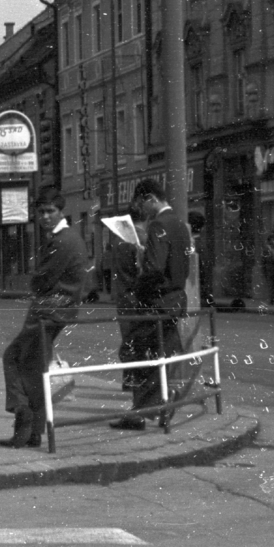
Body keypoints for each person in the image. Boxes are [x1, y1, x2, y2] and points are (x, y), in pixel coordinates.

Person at [0, 188, 90, 447]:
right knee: (34, 366)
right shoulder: (66, 237)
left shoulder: (62, 240)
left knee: (13, 357)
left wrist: (36, 281)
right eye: (41, 212)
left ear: (61, 212)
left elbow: (42, 279)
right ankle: (33, 432)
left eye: (51, 211)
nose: (45, 216)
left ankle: (23, 416)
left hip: (49, 310)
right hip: (58, 310)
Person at [115, 177, 192, 431]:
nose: (141, 211)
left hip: (156, 302)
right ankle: (166, 404)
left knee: (137, 352)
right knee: (167, 352)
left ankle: (141, 412)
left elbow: (155, 268)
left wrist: (139, 283)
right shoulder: (180, 224)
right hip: (175, 300)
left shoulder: (159, 224)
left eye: (142, 203)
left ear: (151, 199)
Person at [105, 210, 146, 395]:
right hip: (136, 297)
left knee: (128, 338)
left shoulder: (117, 242)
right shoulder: (137, 242)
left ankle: (129, 379)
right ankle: (136, 380)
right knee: (138, 340)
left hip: (123, 297)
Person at [259, 229, 274, 307]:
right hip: (269, 270)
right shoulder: (265, 250)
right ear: (269, 241)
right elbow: (263, 261)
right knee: (271, 285)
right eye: (273, 240)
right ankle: (271, 300)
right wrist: (263, 271)